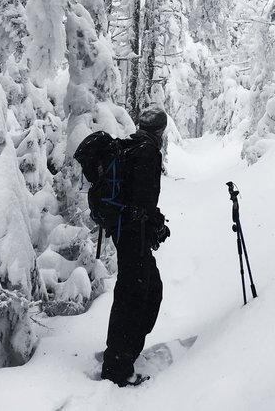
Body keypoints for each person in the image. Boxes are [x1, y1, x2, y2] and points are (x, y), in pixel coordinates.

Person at [101, 105, 171, 387]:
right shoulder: (147, 152)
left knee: (148, 290)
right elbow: (143, 201)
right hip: (132, 235)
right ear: (160, 131)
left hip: (127, 233)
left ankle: (124, 354)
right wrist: (156, 224)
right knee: (133, 296)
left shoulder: (131, 147)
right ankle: (117, 366)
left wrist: (153, 223)